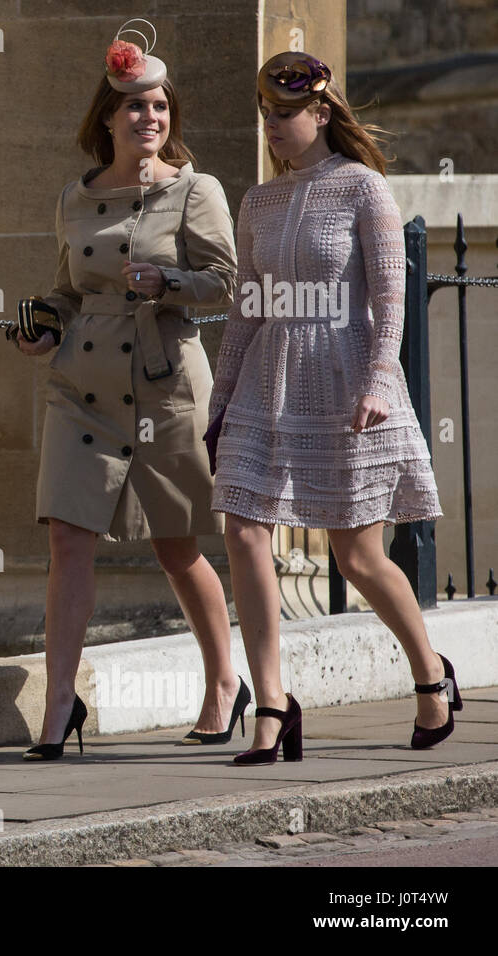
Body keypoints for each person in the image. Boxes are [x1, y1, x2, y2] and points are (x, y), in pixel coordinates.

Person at [208, 52, 457, 765]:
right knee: (244, 529)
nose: (273, 128)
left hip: (347, 384)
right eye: (267, 117)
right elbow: (247, 312)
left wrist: (381, 382)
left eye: (285, 116)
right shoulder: (257, 202)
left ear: (321, 113)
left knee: (357, 555)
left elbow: (389, 300)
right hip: (266, 384)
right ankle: (273, 703)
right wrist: (221, 403)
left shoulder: (363, 188)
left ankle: (429, 674)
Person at [13, 19, 248, 760]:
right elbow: (66, 291)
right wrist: (43, 325)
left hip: (167, 382)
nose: (150, 119)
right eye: (136, 107)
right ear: (107, 119)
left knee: (178, 547)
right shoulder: (74, 198)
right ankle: (58, 704)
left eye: (161, 107)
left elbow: (228, 283)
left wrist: (170, 280)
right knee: (67, 539)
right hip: (80, 387)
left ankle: (223, 684)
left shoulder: (195, 189)